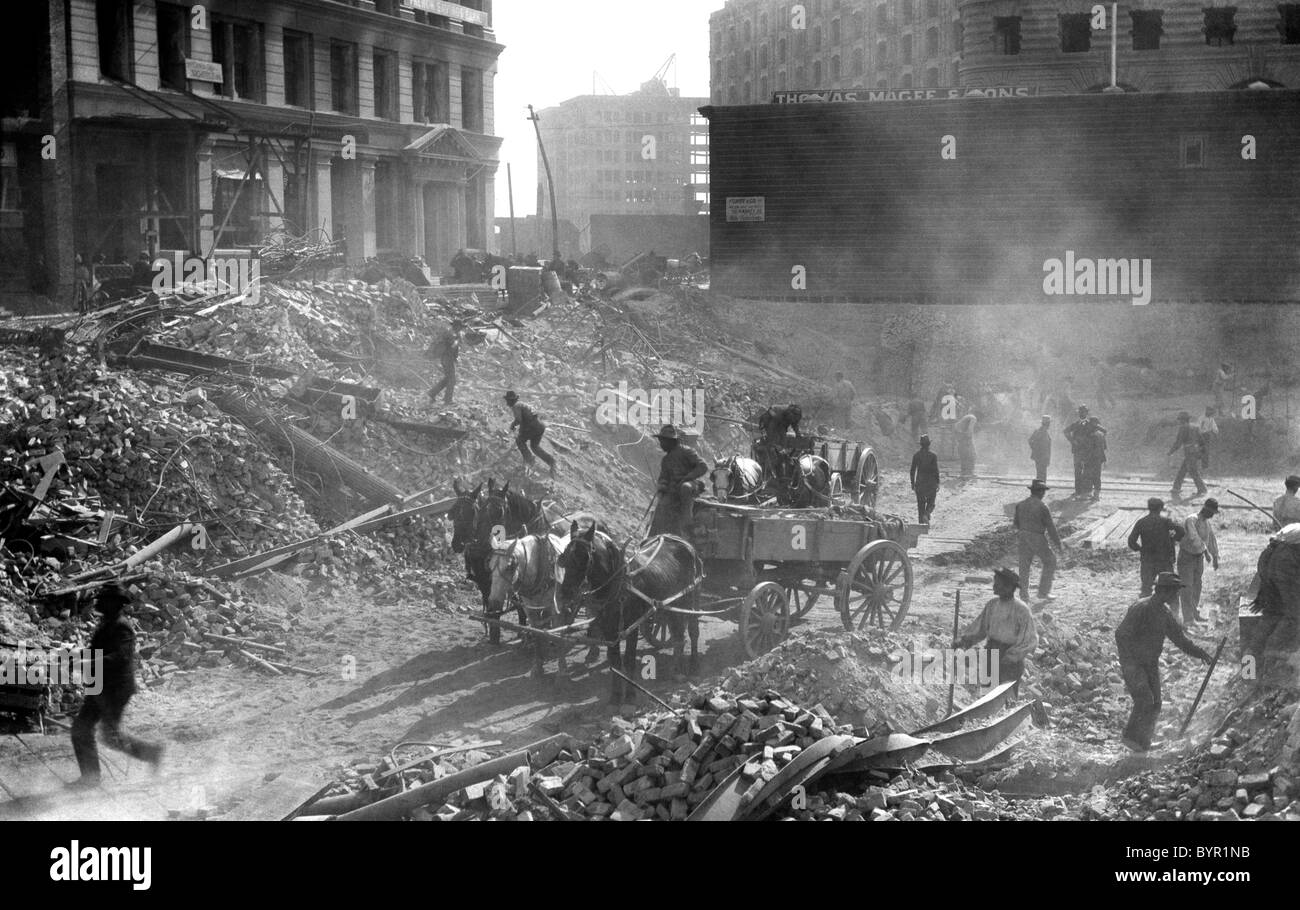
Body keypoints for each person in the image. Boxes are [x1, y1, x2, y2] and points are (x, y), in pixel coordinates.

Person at [70, 582, 164, 788]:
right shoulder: (107, 623)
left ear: (115, 603)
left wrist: (88, 661)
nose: (99, 602)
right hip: (101, 686)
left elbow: (120, 657)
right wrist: (79, 657)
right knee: (81, 729)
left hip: (115, 689)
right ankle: (90, 777)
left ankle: (151, 753)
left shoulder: (121, 626)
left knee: (109, 737)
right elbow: (100, 652)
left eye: (104, 599)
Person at [1114, 572, 1213, 752]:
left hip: (1150, 663)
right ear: (1166, 591)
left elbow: (1180, 640)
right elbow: (1121, 634)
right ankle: (1130, 739)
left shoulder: (1164, 613)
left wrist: (1201, 653)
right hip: (1133, 663)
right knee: (1145, 700)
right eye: (1175, 592)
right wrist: (1132, 660)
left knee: (1156, 703)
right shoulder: (1141, 607)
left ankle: (1143, 743)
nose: (1176, 596)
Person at [954, 568, 1039, 696]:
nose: (994, 586)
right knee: (987, 694)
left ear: (1009, 587)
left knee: (1006, 696)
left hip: (1010, 659)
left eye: (998, 583)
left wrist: (1012, 656)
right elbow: (980, 629)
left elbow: (1030, 640)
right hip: (990, 652)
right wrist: (964, 641)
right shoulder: (992, 605)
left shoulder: (1021, 610)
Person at [650, 424, 708, 537]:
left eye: (663, 441)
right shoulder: (665, 460)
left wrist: (688, 477)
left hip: (690, 485)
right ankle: (652, 534)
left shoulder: (687, 451)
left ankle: (688, 522)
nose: (661, 444)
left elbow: (703, 466)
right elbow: (663, 477)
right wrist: (662, 487)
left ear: (671, 441)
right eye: (661, 441)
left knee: (685, 488)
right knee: (662, 503)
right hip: (673, 489)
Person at [1014, 479, 1062, 602]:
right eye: (1043, 491)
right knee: (1050, 561)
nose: (1044, 494)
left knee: (1024, 566)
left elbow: (1016, 523)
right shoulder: (1042, 507)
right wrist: (1058, 544)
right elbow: (1051, 527)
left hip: (1022, 535)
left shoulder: (1020, 505)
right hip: (1037, 537)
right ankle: (1043, 592)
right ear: (1040, 492)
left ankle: (1024, 595)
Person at [1127, 498, 1185, 597]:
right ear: (1160, 508)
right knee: (1169, 588)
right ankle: (1169, 610)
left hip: (1148, 560)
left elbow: (1131, 541)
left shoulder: (1141, 522)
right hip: (1164, 560)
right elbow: (1181, 532)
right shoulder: (1166, 521)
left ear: (1149, 508)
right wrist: (1174, 538)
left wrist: (1140, 549)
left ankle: (1145, 610)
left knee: (1146, 589)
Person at [1176, 499, 1219, 625]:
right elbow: (1194, 538)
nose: (1212, 515)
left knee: (1197, 586)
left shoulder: (1207, 524)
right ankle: (1188, 619)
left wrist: (1215, 557)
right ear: (1205, 508)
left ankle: (1194, 614)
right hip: (1186, 557)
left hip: (1198, 558)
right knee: (1186, 587)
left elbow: (1211, 540)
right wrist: (1206, 552)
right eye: (1212, 511)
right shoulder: (1191, 519)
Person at [504, 391, 556, 476]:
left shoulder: (516, 406)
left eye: (507, 401)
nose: (507, 403)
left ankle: (529, 460)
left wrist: (512, 425)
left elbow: (519, 420)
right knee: (534, 447)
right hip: (540, 426)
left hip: (532, 427)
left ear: (511, 400)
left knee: (520, 441)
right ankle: (551, 461)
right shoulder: (523, 404)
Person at [1167, 411, 1207, 501]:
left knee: (1193, 471)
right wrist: (1201, 452)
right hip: (1195, 452)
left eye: (1180, 420)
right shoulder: (1195, 427)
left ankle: (1202, 489)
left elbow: (1178, 443)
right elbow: (1202, 441)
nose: (1179, 421)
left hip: (1189, 452)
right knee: (1183, 470)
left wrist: (1171, 452)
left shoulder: (1183, 428)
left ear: (1182, 420)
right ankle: (1176, 488)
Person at [426, 319, 462, 404]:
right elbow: (452, 346)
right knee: (452, 380)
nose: (461, 329)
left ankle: (432, 393)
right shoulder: (451, 334)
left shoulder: (452, 333)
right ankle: (447, 400)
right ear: (457, 326)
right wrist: (457, 341)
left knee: (448, 379)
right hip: (447, 358)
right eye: (460, 326)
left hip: (446, 358)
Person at [909, 434, 940, 525]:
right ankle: (926, 514)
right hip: (931, 483)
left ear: (921, 444)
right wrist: (937, 482)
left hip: (920, 482)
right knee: (931, 503)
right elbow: (936, 470)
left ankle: (921, 524)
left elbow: (912, 470)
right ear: (929, 444)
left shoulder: (916, 455)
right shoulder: (933, 455)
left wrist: (912, 483)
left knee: (920, 504)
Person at [1063, 405, 1091, 499]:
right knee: (1078, 471)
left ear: (1087, 413)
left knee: (1087, 470)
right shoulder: (1075, 424)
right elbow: (1065, 431)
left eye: (1083, 412)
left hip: (1087, 451)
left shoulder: (1090, 424)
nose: (1082, 413)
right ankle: (1078, 490)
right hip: (1077, 451)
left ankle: (1086, 490)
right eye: (1080, 412)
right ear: (1078, 413)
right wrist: (1072, 441)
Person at [1081, 415, 1107, 501]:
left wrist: (1084, 459)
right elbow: (1104, 447)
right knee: (1097, 476)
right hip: (1099, 459)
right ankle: (1096, 495)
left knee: (1087, 476)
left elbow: (1087, 448)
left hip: (1090, 459)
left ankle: (1087, 493)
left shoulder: (1090, 435)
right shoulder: (1101, 434)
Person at [1028, 415, 1052, 483]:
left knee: (1042, 474)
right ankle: (1040, 488)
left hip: (1043, 457)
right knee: (1041, 474)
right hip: (1040, 457)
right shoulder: (1039, 431)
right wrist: (1036, 450)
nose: (1049, 425)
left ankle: (1040, 487)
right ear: (1046, 424)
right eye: (1048, 423)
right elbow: (1030, 441)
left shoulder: (1045, 432)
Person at [953, 411, 977, 478]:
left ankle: (964, 472)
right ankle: (969, 472)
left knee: (964, 456)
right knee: (972, 455)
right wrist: (969, 440)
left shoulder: (966, 418)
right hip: (965, 439)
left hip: (961, 439)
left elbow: (956, 427)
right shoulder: (973, 418)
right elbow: (970, 431)